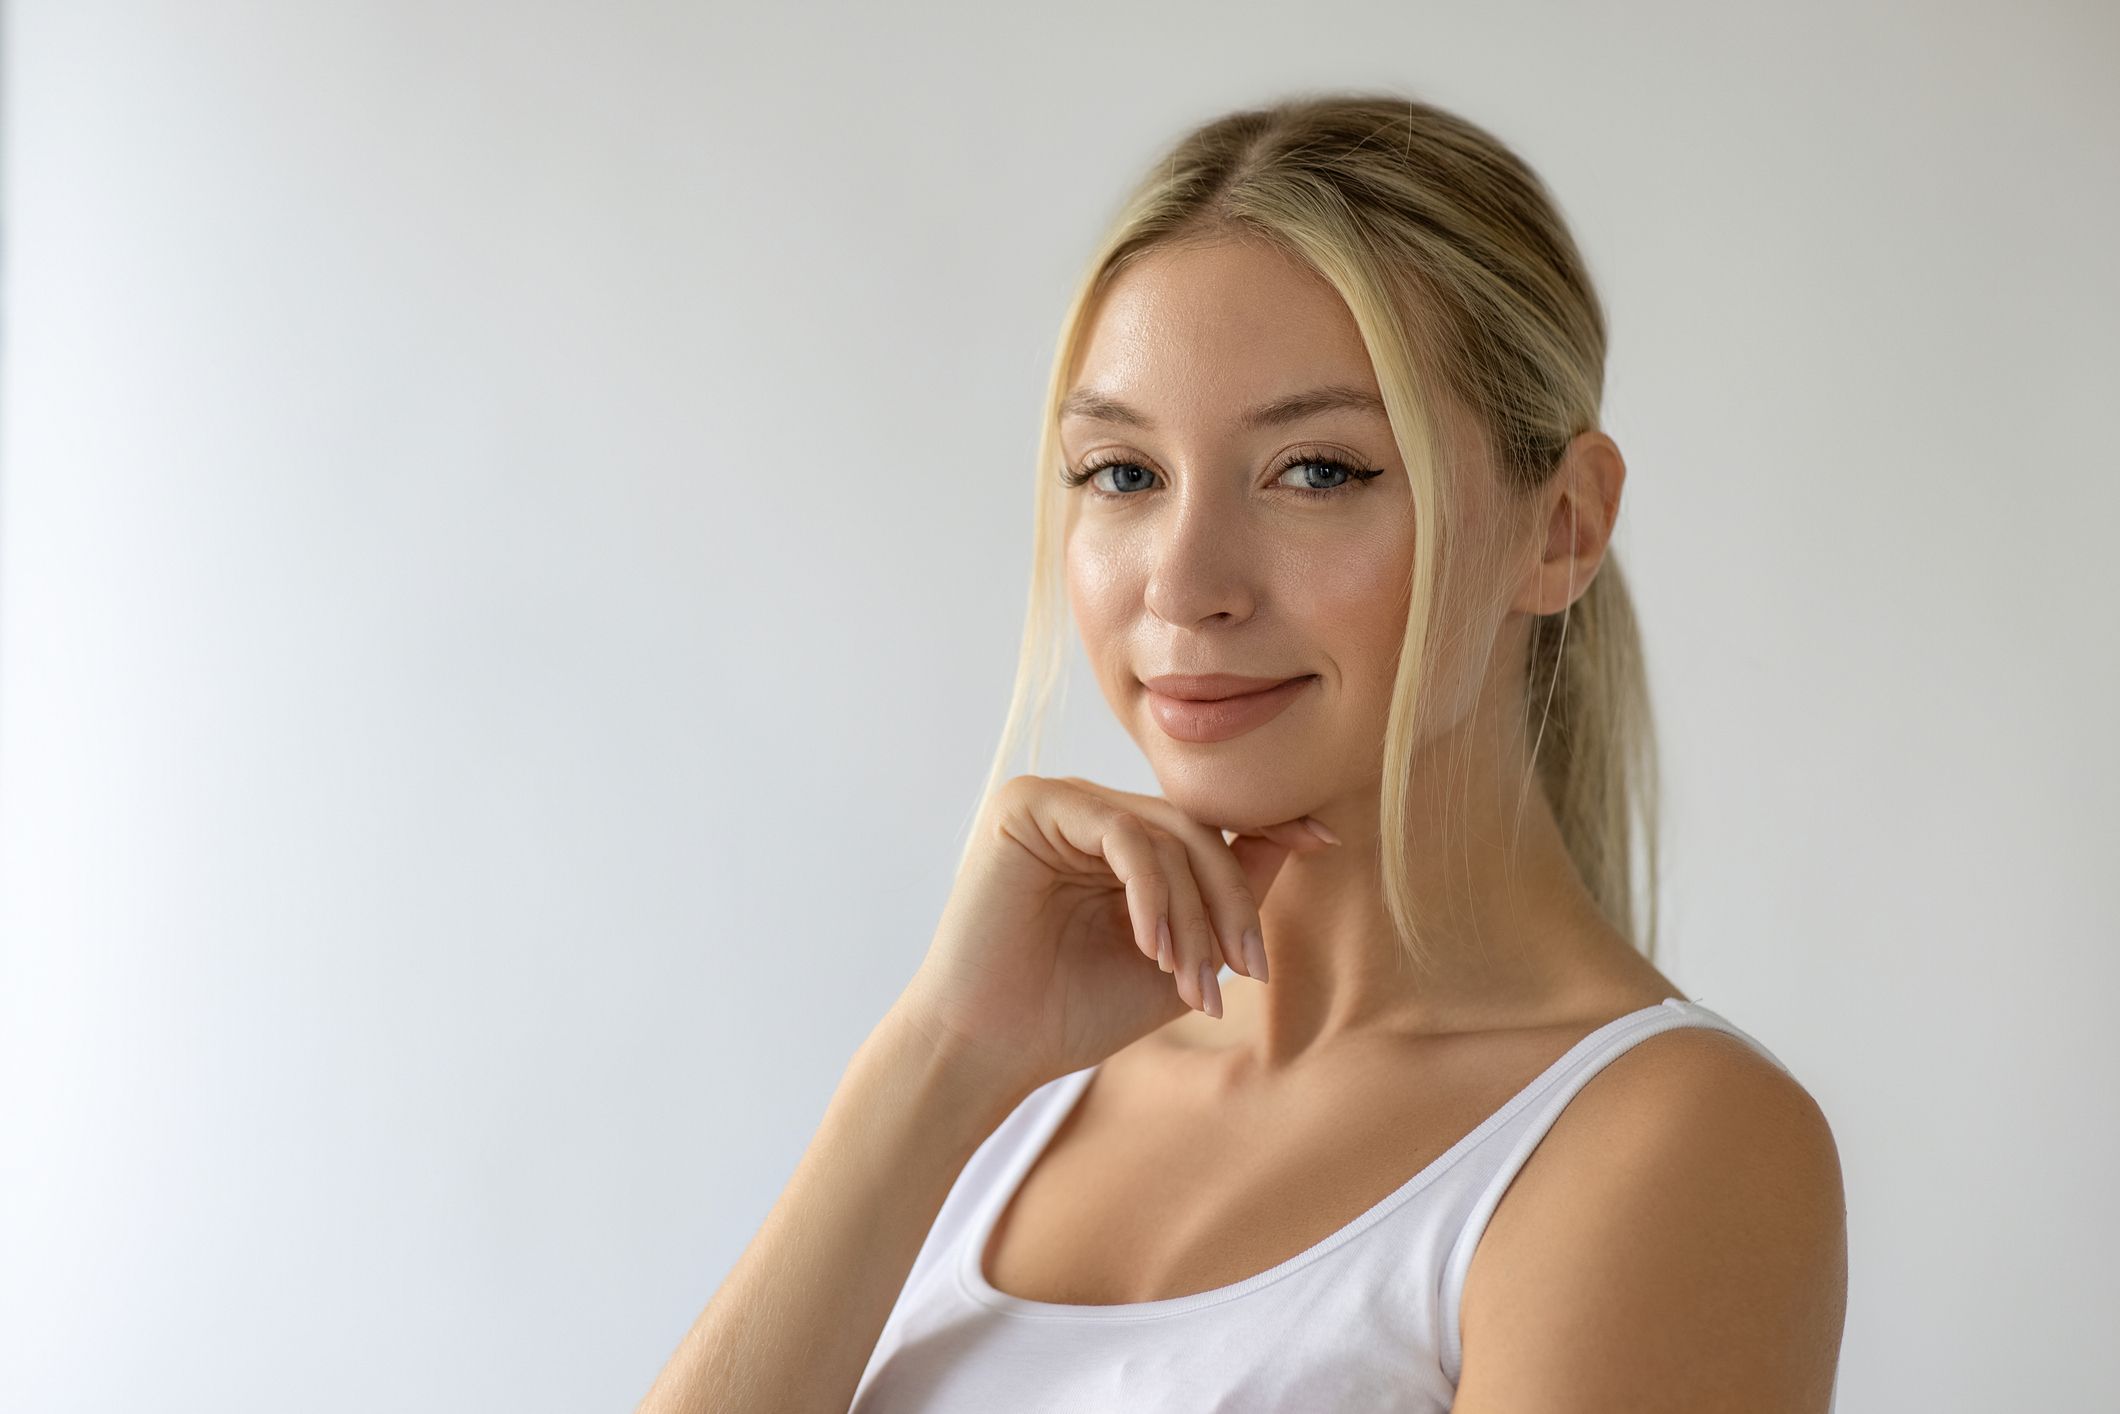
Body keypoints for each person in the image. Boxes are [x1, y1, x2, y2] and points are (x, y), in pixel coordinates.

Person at [636, 91, 1848, 1413]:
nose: (1184, 584)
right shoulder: (1000, 1093)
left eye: (1316, 470)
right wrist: (938, 1054)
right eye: (1122, 473)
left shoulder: (1669, 1147)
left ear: (1559, 526)